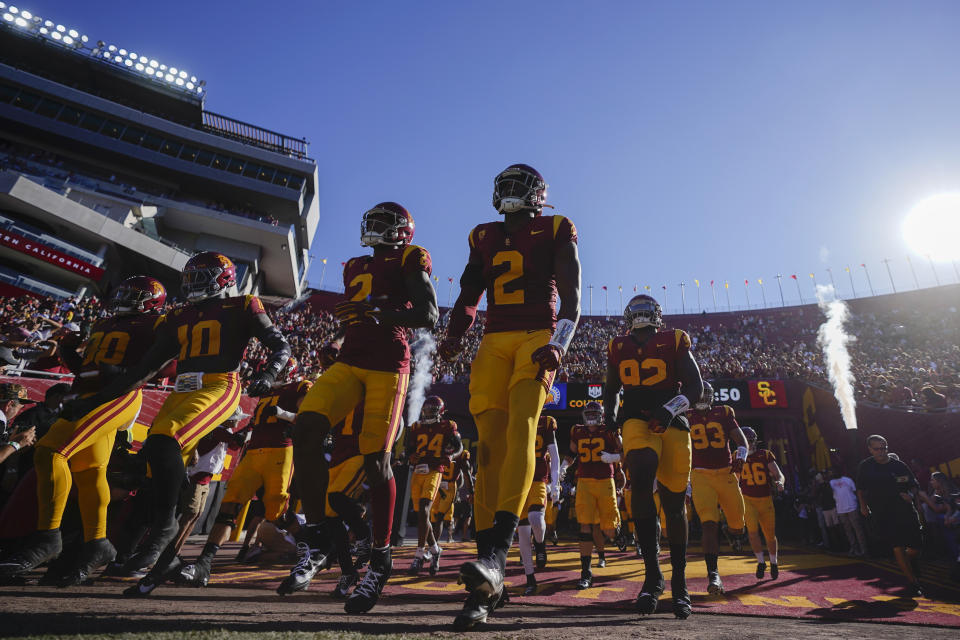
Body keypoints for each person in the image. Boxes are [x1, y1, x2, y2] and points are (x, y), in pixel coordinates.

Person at [61, 254, 290, 594]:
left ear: (225, 278)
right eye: (192, 276)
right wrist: (93, 401)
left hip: (219, 384)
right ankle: (163, 555)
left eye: (204, 277)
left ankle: (164, 530)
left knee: (165, 439)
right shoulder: (178, 315)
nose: (195, 283)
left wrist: (269, 374)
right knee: (151, 463)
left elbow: (280, 345)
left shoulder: (244, 304)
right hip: (181, 388)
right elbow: (146, 369)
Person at [439, 163, 580, 630]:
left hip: (536, 334)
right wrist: (455, 332)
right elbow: (468, 293)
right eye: (504, 186)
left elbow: (574, 298)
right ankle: (486, 578)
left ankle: (497, 559)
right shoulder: (482, 235)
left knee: (522, 428)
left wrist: (559, 341)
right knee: (488, 450)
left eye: (518, 186)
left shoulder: (556, 227)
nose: (509, 193)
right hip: (493, 341)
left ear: (539, 194)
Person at [291, 202, 438, 614]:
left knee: (377, 461)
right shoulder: (355, 264)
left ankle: (381, 555)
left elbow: (428, 314)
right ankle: (319, 530)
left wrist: (376, 313)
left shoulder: (411, 257)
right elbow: (357, 312)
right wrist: (340, 334)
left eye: (383, 223)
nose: (373, 227)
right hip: (349, 360)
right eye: (371, 221)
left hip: (389, 365)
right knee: (305, 428)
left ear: (402, 231)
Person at [0, 278, 167, 585]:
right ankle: (97, 543)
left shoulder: (154, 324)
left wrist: (123, 375)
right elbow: (87, 370)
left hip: (118, 394)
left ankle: (48, 537)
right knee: (89, 470)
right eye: (125, 291)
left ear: (152, 301)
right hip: (89, 393)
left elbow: (167, 365)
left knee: (50, 451)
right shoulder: (106, 324)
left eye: (135, 295)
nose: (126, 297)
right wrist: (66, 348)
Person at [602, 294, 703, 619]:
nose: (641, 313)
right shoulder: (617, 346)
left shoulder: (674, 340)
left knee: (674, 506)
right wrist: (609, 413)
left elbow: (695, 387)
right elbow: (612, 387)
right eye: (636, 309)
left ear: (657, 315)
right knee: (642, 471)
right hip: (635, 419)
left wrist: (669, 409)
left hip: (673, 421)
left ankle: (679, 581)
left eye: (646, 309)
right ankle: (652, 574)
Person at [179, 360, 310, 588]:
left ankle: (311, 553)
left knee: (277, 511)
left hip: (280, 450)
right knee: (230, 504)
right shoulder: (267, 391)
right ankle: (204, 564)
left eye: (277, 368)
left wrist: (282, 413)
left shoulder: (300, 387)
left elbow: (309, 419)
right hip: (254, 452)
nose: (272, 371)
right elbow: (256, 423)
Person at [686, 381, 748, 595]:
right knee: (708, 523)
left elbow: (741, 441)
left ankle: (732, 532)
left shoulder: (724, 412)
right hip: (700, 474)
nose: (702, 399)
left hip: (726, 472)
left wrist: (741, 455)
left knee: (738, 524)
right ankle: (713, 574)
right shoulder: (686, 414)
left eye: (705, 395)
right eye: (699, 395)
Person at [562, 401, 622, 590]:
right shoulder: (577, 431)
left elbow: (626, 451)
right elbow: (571, 454)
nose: (591, 417)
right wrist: (564, 466)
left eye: (594, 413)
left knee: (609, 530)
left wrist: (613, 458)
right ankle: (586, 572)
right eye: (588, 413)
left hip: (606, 482)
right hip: (585, 482)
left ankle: (619, 533)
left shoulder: (609, 430)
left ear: (602, 415)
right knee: (585, 525)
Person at [856, 434, 925, 596]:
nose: (881, 452)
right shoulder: (866, 466)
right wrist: (863, 506)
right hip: (883, 512)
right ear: (870, 450)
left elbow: (913, 485)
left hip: (905, 510)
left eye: (884, 448)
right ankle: (913, 582)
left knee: (917, 546)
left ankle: (909, 560)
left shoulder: (899, 465)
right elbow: (860, 489)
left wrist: (911, 494)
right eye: (877, 449)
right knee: (897, 545)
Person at [404, 395, 462, 575]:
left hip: (435, 470)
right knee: (423, 515)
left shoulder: (447, 426)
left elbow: (458, 447)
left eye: (432, 410)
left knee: (424, 510)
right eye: (426, 409)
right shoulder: (416, 427)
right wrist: (410, 456)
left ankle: (419, 555)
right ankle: (436, 551)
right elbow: (410, 450)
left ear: (440, 412)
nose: (428, 412)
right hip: (418, 471)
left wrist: (451, 456)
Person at [517, 414, 560, 595]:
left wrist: (555, 483)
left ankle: (541, 543)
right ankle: (530, 578)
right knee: (523, 533)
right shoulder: (514, 418)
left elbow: (555, 456)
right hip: (518, 482)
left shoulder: (545, 422)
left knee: (536, 518)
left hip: (538, 479)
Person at [738, 427, 785, 581]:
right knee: (752, 533)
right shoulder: (737, 456)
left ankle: (773, 562)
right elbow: (735, 479)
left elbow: (778, 474)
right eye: (747, 441)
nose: (750, 444)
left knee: (770, 535)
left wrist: (779, 482)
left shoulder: (764, 454)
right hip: (747, 499)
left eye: (751, 441)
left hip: (765, 499)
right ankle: (760, 562)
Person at [432, 449, 473, 549]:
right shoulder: (459, 455)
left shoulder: (440, 449)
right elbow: (466, 477)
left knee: (439, 517)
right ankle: (432, 543)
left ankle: (434, 545)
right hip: (442, 485)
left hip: (440, 485)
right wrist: (471, 492)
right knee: (435, 517)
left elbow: (465, 477)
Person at [829, 468, 867, 557]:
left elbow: (856, 491)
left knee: (858, 530)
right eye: (831, 472)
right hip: (841, 509)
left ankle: (864, 550)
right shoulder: (831, 483)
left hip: (852, 507)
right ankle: (854, 549)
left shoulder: (847, 480)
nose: (833, 473)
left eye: (834, 471)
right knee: (848, 530)